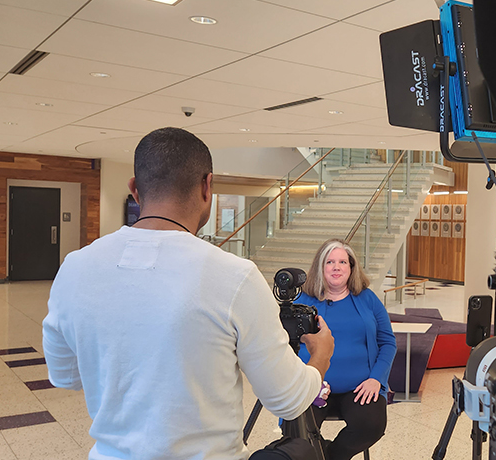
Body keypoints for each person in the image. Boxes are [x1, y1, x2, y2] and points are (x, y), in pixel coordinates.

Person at [43, 127, 334, 460]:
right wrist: (321, 355)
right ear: (207, 186)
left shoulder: (76, 268)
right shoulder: (235, 276)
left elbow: (65, 376)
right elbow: (287, 398)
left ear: (135, 189)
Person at [293, 239, 397, 460]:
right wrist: (306, 378)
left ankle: (329, 456)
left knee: (371, 426)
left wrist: (376, 379)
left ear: (351, 268)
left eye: (342, 262)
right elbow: (286, 345)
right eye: (330, 262)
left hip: (360, 387)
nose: (336, 267)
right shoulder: (303, 301)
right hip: (313, 385)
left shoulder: (367, 298)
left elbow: (388, 342)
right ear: (320, 267)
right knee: (296, 430)